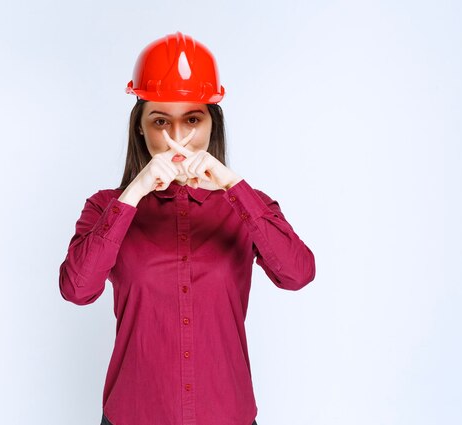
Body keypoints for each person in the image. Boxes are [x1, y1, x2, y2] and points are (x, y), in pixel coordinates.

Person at [59, 31, 316, 425]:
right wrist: (134, 192)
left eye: (192, 119)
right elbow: (77, 290)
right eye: (160, 121)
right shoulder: (105, 206)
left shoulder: (248, 206)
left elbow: (298, 274)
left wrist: (233, 187)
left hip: (226, 413)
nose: (177, 138)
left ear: (213, 124)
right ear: (140, 129)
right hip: (135, 415)